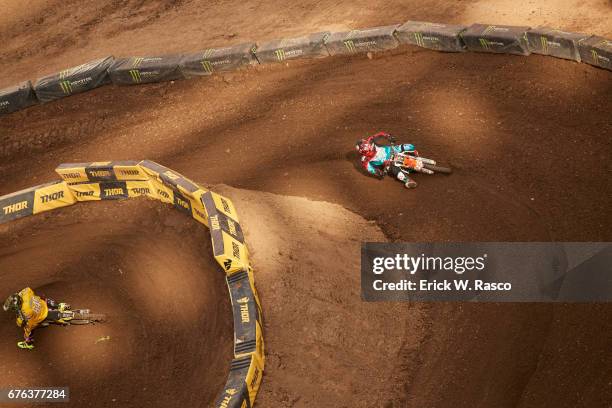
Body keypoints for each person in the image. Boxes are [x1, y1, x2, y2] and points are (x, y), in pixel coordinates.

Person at [2, 288, 70, 350]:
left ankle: (29, 343)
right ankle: (59, 305)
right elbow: (27, 289)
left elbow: (31, 325)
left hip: (43, 315)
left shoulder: (26, 311)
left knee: (28, 327)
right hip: (41, 304)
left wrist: (26, 333)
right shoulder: (26, 293)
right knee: (42, 298)